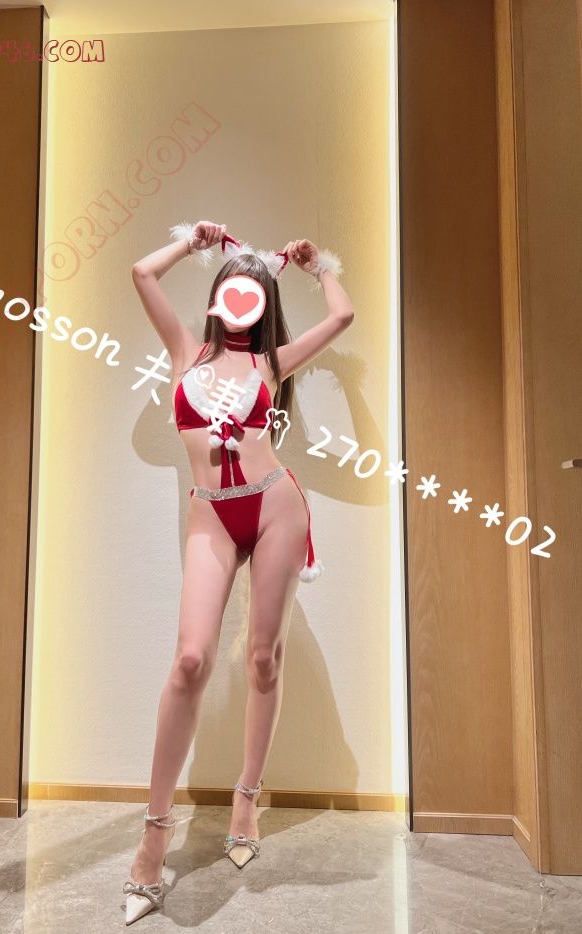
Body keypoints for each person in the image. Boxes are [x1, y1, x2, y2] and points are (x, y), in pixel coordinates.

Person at [122, 220, 355, 924]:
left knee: (261, 658)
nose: (242, 299)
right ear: (218, 296)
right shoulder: (184, 351)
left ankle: (246, 800)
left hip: (275, 505)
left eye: (255, 290)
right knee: (191, 660)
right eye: (233, 287)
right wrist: (193, 242)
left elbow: (342, 316)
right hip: (211, 516)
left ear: (263, 302)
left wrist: (318, 265)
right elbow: (141, 273)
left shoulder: (272, 364)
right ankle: (153, 838)